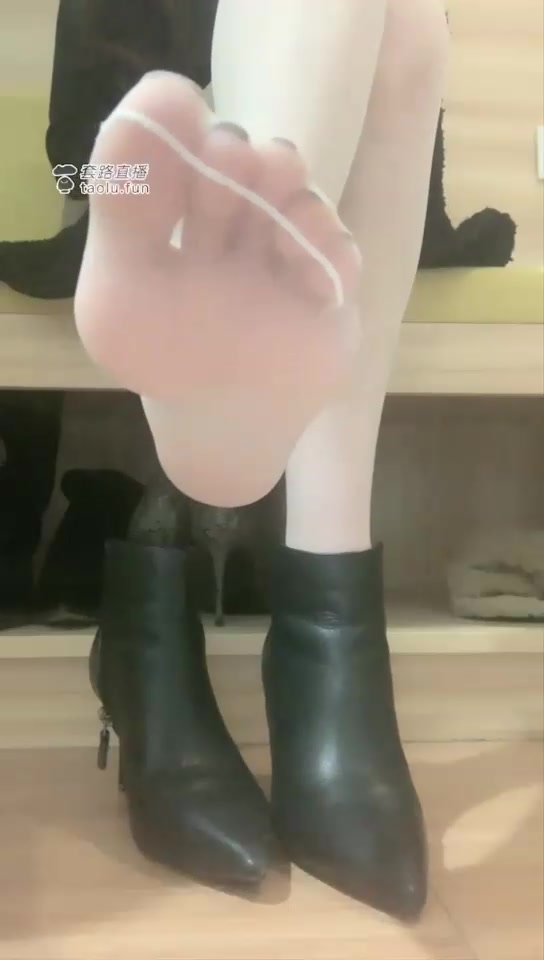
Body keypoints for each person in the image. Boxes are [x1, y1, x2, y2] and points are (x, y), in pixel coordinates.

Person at [73, 0, 448, 919]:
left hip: (345, 171)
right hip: (121, 167)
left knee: (413, 28)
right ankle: (231, 400)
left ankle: (224, 414)